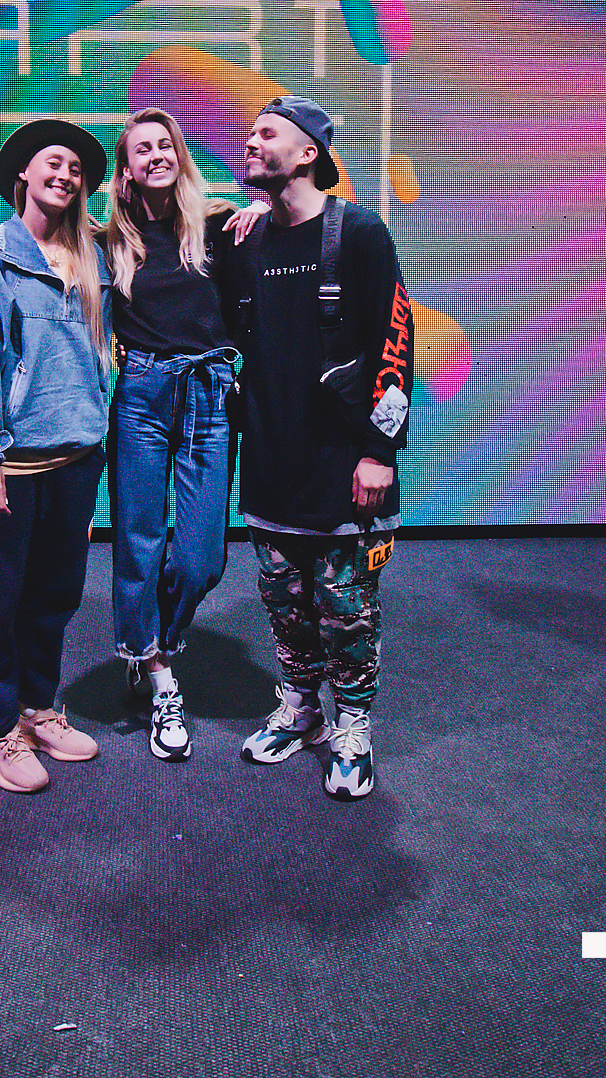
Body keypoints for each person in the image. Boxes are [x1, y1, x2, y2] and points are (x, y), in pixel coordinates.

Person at [229, 95, 414, 799]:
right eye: (250, 133)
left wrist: (379, 452)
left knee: (347, 610)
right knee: (285, 605)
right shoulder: (247, 241)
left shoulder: (359, 233)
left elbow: (395, 340)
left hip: (346, 468)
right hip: (270, 466)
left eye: (266, 133)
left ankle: (353, 726)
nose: (251, 142)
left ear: (309, 153)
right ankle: (302, 709)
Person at [0, 119, 112, 794]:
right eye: (54, 162)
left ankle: (39, 708)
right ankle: (0, 732)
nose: (65, 175)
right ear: (23, 173)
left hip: (77, 458)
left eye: (75, 168)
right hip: (10, 465)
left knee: (55, 595)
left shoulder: (94, 259)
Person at [101, 108, 264, 761]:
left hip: (208, 393)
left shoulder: (218, 225)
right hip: (142, 394)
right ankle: (159, 673)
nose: (156, 155)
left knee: (202, 559)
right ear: (127, 170)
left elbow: (291, 230)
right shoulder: (110, 240)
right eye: (142, 148)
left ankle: (151, 643)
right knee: (138, 541)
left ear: (179, 155)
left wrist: (261, 212)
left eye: (164, 144)